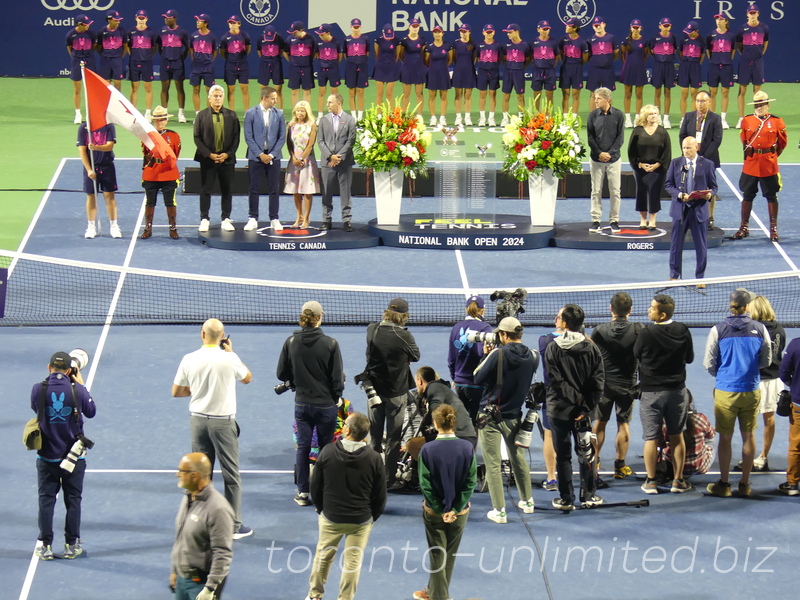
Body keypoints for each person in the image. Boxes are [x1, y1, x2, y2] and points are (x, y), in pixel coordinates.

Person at [171, 318, 253, 538]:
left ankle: (197, 523)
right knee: (231, 475)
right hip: (223, 424)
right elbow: (247, 378)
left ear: (203, 334)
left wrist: (197, 391)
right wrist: (232, 353)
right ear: (222, 337)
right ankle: (234, 527)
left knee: (198, 475)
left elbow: (177, 391)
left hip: (198, 422)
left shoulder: (189, 359)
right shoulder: (230, 358)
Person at [307, 412, 386, 600]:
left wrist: (322, 510)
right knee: (353, 562)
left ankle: (314, 595)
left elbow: (315, 486)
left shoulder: (327, 452)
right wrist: (370, 517)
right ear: (365, 435)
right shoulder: (375, 458)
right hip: (360, 521)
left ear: (347, 430)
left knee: (323, 557)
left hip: (331, 517)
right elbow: (381, 495)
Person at [704, 288, 771, 498]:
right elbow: (766, 360)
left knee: (725, 437)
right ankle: (744, 484)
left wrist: (723, 375)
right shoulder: (760, 329)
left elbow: (709, 363)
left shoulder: (718, 330)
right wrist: (749, 371)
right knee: (748, 436)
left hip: (725, 391)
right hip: (751, 390)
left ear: (731, 305)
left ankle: (724, 485)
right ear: (747, 306)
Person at [276, 301, 344, 506]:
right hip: (326, 406)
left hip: (302, 405)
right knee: (326, 450)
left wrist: (296, 380)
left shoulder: (290, 342)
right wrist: (337, 397)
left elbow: (281, 373)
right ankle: (324, 491)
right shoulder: (331, 344)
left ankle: (303, 492)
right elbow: (337, 378)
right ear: (319, 318)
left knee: (303, 448)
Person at [31, 351, 96, 560]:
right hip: (74, 458)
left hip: (47, 457)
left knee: (46, 500)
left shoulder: (37, 389)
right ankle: (71, 544)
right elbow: (91, 411)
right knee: (73, 499)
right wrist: (81, 385)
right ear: (70, 371)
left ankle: (46, 546)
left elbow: (36, 409)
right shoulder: (77, 389)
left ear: (49, 368)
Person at [473, 316, 537, 523]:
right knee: (518, 457)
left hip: (490, 417)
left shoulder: (497, 354)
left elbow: (477, 377)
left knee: (492, 463)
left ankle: (499, 511)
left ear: (503, 334)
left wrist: (486, 357)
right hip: (515, 416)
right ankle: (527, 501)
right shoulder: (534, 356)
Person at [413, 405, 476, 600]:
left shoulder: (427, 449)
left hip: (434, 513)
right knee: (449, 555)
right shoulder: (467, 448)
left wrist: (441, 510)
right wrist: (455, 508)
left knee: (437, 556)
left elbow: (425, 483)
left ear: (435, 423)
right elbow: (470, 481)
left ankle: (439, 597)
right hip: (459, 514)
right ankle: (433, 591)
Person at [545, 305, 605, 509]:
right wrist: (584, 407)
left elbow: (556, 381)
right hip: (584, 414)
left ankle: (566, 499)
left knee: (563, 456)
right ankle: (588, 496)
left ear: (564, 323)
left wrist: (576, 401)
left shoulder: (553, 347)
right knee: (586, 454)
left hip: (559, 410)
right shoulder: (592, 348)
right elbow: (598, 382)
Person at [633, 294, 694, 494]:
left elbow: (636, 354)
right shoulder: (683, 330)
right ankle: (678, 481)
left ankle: (650, 481)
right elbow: (690, 357)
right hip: (677, 392)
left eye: (652, 308)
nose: (648, 310)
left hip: (651, 393)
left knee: (651, 438)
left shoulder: (646, 333)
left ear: (662, 314)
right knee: (677, 436)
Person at [360, 298, 421, 488]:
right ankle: (389, 480)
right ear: (403, 316)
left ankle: (371, 476)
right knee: (394, 439)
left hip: (374, 392)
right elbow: (416, 356)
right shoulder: (403, 335)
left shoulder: (372, 329)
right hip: (396, 394)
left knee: (375, 438)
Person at [590, 292, 641, 487]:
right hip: (627, 386)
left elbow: (592, 357)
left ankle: (593, 463)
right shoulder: (639, 330)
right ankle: (620, 466)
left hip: (603, 385)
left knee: (599, 424)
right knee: (624, 425)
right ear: (630, 310)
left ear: (611, 309)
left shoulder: (600, 330)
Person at [170, 452, 233, 600]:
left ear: (195, 476)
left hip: (201, 585)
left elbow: (222, 552)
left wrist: (210, 589)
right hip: (182, 579)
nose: (177, 474)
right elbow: (181, 538)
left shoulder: (218, 509)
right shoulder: (188, 498)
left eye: (181, 471)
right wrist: (175, 570)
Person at [733, 90, 787, 241]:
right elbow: (744, 139)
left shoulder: (777, 122)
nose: (759, 107)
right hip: (751, 163)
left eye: (762, 104)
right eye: (757, 104)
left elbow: (782, 143)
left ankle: (773, 229)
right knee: (747, 195)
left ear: (768, 105)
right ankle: (744, 227)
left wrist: (772, 155)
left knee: (771, 195)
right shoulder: (747, 120)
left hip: (768, 164)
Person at [664, 136, 717, 282]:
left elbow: (714, 187)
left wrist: (709, 195)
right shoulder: (676, 163)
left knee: (701, 246)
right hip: (680, 210)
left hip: (699, 210)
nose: (685, 151)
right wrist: (680, 194)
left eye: (688, 148)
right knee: (676, 245)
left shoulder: (707, 164)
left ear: (696, 147)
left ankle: (700, 278)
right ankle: (674, 275)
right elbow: (668, 185)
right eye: (684, 148)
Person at [744, 295, 786, 472]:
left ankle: (750, 458)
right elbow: (779, 352)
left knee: (749, 422)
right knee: (769, 420)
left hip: (756, 381)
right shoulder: (780, 329)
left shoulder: (752, 329)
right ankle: (762, 457)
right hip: (775, 381)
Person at [193, 85, 241, 232]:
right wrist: (209, 154)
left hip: (227, 160)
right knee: (205, 190)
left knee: (227, 190)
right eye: (215, 96)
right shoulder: (201, 115)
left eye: (220, 96)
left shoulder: (232, 116)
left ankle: (226, 219)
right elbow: (197, 138)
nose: (218, 99)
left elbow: (236, 138)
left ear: (223, 98)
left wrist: (227, 154)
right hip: (208, 160)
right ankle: (204, 218)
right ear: (209, 98)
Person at [244, 86, 286, 232]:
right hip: (256, 157)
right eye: (273, 98)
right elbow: (248, 136)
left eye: (276, 98)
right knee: (253, 188)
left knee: (274, 189)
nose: (275, 101)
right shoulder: (250, 113)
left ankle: (274, 218)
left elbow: (282, 137)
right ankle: (252, 218)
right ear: (264, 98)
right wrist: (260, 154)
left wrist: (272, 155)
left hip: (274, 157)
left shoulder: (279, 114)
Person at [678, 90, 723, 228]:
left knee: (708, 189)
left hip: (708, 159)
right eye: (697, 101)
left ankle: (710, 217)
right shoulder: (689, 116)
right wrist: (688, 153)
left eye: (703, 101)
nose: (700, 103)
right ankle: (687, 215)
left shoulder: (715, 118)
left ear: (709, 102)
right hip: (689, 159)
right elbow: (682, 135)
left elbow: (717, 140)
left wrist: (703, 157)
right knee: (687, 186)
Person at [448, 295, 494, 421]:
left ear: (466, 309)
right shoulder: (485, 328)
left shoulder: (456, 328)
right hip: (477, 385)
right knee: (475, 425)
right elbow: (486, 358)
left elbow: (451, 358)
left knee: (461, 423)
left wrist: (455, 377)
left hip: (459, 382)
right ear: (482, 310)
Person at [140, 105, 182, 239]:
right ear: (153, 121)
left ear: (166, 120)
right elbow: (145, 153)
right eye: (157, 120)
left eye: (162, 119)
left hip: (168, 172)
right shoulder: (147, 136)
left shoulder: (174, 136)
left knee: (170, 202)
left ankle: (173, 228)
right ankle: (148, 227)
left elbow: (176, 154)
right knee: (150, 202)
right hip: (152, 173)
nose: (160, 122)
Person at [628, 104, 671, 230]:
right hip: (641, 169)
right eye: (651, 114)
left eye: (655, 114)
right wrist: (640, 164)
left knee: (654, 193)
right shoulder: (637, 131)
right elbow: (632, 151)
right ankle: (642, 219)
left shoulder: (663, 131)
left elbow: (667, 152)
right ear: (645, 116)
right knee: (641, 192)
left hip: (657, 170)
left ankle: (652, 220)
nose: (654, 116)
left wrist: (657, 165)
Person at [587, 86, 624, 232]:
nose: (595, 101)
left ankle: (614, 220)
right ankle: (596, 220)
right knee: (596, 190)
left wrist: (610, 153)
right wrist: (599, 153)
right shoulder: (592, 116)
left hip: (614, 159)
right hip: (596, 160)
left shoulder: (619, 115)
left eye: (598, 98)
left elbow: (620, 137)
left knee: (615, 191)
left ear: (608, 100)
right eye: (595, 98)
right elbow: (590, 137)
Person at [317, 93, 357, 231]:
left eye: (330, 102)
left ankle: (346, 220)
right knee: (326, 192)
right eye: (327, 102)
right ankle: (326, 220)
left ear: (339, 103)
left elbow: (351, 140)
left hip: (344, 163)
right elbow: (320, 141)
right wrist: (330, 156)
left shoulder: (350, 120)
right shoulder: (323, 120)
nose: (327, 105)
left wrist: (338, 157)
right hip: (327, 162)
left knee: (345, 192)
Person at [77, 120, 121, 239]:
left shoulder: (109, 126)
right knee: (91, 196)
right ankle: (91, 227)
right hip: (90, 167)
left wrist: (96, 147)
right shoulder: (84, 127)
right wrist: (89, 170)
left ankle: (114, 226)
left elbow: (110, 146)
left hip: (107, 166)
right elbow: (82, 151)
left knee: (109, 196)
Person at [415, 366, 477, 448]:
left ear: (420, 381)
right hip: (467, 437)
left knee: (412, 445)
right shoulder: (441, 388)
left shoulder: (433, 388)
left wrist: (424, 426)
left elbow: (436, 411)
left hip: (458, 436)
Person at [284, 100, 320, 228]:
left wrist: (302, 159)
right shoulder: (291, 125)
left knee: (307, 191)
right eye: (298, 110)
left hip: (307, 162)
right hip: (294, 161)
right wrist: (294, 158)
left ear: (307, 112)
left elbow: (310, 144)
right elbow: (289, 143)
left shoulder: (312, 125)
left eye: (302, 110)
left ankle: (306, 218)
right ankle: (298, 216)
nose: (300, 113)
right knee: (296, 191)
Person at [735, 5, 769, 129]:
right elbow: (739, 45)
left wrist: (759, 55)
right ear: (747, 14)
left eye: (754, 13)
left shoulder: (764, 28)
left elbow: (765, 43)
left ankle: (758, 117)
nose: (752, 15)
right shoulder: (742, 29)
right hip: (745, 61)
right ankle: (741, 119)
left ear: (758, 14)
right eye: (751, 13)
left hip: (758, 61)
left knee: (757, 92)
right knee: (742, 90)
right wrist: (746, 55)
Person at [157, 9, 190, 123]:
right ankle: (164, 112)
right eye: (165, 17)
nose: (166, 19)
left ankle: (181, 113)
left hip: (178, 63)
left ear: (174, 19)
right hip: (165, 62)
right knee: (164, 88)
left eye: (168, 18)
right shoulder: (162, 31)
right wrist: (165, 56)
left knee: (179, 87)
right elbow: (159, 47)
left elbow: (187, 47)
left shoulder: (182, 32)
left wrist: (180, 58)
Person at [778, 335, 800, 496]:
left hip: (799, 404)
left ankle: (792, 483)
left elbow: (784, 372)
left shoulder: (795, 345)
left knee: (796, 445)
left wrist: (794, 385)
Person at [706, 13, 736, 129]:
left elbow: (733, 51)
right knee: (712, 92)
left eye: (721, 19)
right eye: (717, 19)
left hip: (726, 67)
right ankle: (713, 118)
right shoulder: (711, 35)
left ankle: (723, 119)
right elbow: (708, 51)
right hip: (714, 66)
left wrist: (726, 60)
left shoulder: (731, 36)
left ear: (726, 21)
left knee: (725, 92)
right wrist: (715, 60)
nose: (718, 21)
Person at [67, 15, 96, 124]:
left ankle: (90, 114)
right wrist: (77, 56)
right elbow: (70, 49)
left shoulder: (91, 33)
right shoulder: (70, 35)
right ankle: (78, 114)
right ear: (79, 24)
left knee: (90, 89)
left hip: (89, 60)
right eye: (85, 24)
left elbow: (94, 46)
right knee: (77, 89)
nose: (88, 25)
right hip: (76, 60)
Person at [585, 17, 619, 113]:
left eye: (599, 24)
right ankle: (593, 116)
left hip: (608, 70)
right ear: (593, 27)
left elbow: (616, 53)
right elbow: (587, 56)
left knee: (608, 94)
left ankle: (608, 115)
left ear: (604, 24)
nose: (598, 27)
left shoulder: (611, 38)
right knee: (593, 94)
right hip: (594, 70)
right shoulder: (590, 40)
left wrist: (608, 61)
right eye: (596, 25)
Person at [127, 10, 156, 120]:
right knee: (134, 88)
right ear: (136, 18)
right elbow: (128, 47)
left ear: (147, 19)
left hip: (147, 63)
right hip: (134, 62)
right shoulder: (131, 32)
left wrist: (146, 57)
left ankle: (148, 112)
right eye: (139, 18)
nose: (141, 20)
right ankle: (133, 111)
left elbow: (154, 48)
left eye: (143, 18)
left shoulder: (151, 33)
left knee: (148, 88)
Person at [499, 23, 530, 126]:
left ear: (517, 32)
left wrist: (520, 67)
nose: (508, 34)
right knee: (506, 95)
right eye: (507, 33)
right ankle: (505, 118)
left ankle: (521, 118)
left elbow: (528, 59)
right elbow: (503, 58)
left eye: (510, 32)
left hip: (519, 73)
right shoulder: (506, 45)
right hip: (508, 72)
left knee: (520, 96)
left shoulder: (525, 45)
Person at [648, 18, 677, 129]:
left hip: (669, 66)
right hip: (658, 66)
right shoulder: (655, 38)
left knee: (668, 92)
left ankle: (666, 118)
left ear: (670, 26)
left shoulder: (673, 37)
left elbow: (674, 50)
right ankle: (657, 117)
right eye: (664, 25)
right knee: (657, 91)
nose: (666, 27)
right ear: (660, 26)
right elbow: (651, 51)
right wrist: (658, 58)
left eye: (667, 25)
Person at [619, 19, 647, 128]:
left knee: (639, 95)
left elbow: (644, 55)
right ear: (631, 28)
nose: (635, 29)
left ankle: (637, 118)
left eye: (637, 27)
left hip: (639, 70)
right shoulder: (626, 41)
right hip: (628, 69)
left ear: (640, 28)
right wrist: (628, 64)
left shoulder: (644, 41)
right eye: (634, 27)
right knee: (628, 94)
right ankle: (627, 119)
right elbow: (623, 55)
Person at [219, 15, 251, 112]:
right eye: (230, 23)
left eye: (234, 23)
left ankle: (247, 112)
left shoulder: (245, 35)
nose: (232, 25)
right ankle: (231, 112)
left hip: (243, 65)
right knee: (231, 89)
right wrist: (231, 59)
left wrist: (241, 58)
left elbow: (248, 49)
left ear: (239, 24)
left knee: (244, 89)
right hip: (230, 66)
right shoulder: (225, 38)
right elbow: (222, 52)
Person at [188, 14, 217, 117]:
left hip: (208, 67)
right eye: (197, 21)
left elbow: (214, 51)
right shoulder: (193, 36)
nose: (197, 22)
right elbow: (191, 48)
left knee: (209, 91)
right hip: (196, 66)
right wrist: (195, 58)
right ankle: (197, 115)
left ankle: (209, 114)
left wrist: (209, 60)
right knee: (195, 90)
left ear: (206, 24)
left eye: (200, 21)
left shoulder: (212, 37)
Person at [676, 21, 705, 122]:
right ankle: (683, 118)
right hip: (684, 66)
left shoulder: (701, 40)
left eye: (691, 31)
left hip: (695, 66)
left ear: (696, 31)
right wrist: (685, 62)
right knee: (684, 93)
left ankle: (693, 118)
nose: (689, 33)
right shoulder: (683, 38)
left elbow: (702, 55)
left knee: (694, 93)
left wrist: (696, 64)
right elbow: (680, 53)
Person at [424, 26, 453, 127]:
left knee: (443, 96)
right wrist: (433, 68)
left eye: (439, 32)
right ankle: (432, 117)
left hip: (444, 73)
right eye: (435, 32)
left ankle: (442, 117)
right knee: (432, 96)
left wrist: (442, 68)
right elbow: (426, 61)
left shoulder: (447, 46)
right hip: (432, 74)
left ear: (442, 33)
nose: (437, 34)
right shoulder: (429, 47)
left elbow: (450, 59)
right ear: (433, 34)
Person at [475, 24, 503, 127]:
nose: (489, 34)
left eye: (491, 32)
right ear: (483, 33)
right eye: (487, 32)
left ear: (494, 32)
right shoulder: (479, 45)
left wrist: (492, 65)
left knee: (493, 94)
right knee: (482, 94)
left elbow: (500, 58)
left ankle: (491, 118)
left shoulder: (498, 45)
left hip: (494, 72)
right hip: (482, 72)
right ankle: (482, 118)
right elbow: (478, 58)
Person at [559, 18, 587, 116]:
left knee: (576, 94)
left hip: (577, 69)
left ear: (574, 28)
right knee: (565, 94)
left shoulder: (582, 42)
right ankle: (565, 117)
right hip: (566, 69)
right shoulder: (563, 39)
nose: (566, 27)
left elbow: (585, 58)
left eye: (569, 26)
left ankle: (574, 118)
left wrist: (576, 64)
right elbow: (561, 54)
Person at [284, 21, 316, 107]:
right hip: (294, 68)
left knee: (307, 91)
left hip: (307, 68)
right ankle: (296, 113)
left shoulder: (311, 39)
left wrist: (307, 61)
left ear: (301, 30)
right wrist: (292, 61)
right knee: (294, 91)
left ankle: (306, 112)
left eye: (295, 31)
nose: (293, 33)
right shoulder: (290, 39)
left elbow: (314, 53)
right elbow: (285, 52)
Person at [314, 24, 342, 121]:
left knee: (334, 94)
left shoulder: (336, 42)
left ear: (328, 33)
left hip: (333, 70)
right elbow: (317, 54)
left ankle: (335, 113)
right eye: (319, 34)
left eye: (322, 34)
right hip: (322, 70)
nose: (320, 36)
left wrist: (332, 64)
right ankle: (320, 115)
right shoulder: (318, 42)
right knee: (321, 92)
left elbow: (340, 56)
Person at [530, 20, 559, 111]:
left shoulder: (553, 42)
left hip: (550, 71)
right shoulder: (533, 42)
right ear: (538, 29)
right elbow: (531, 56)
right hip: (537, 71)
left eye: (547, 29)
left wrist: (551, 66)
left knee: (549, 95)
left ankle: (548, 116)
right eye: (543, 29)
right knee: (537, 95)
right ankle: (536, 115)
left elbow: (557, 56)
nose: (545, 31)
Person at [344, 18, 370, 121]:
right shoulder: (347, 39)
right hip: (350, 67)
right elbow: (345, 54)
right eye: (354, 27)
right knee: (351, 91)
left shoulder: (365, 39)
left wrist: (360, 60)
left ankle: (359, 116)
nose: (356, 29)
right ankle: (353, 116)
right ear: (351, 27)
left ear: (360, 27)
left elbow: (367, 52)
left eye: (357, 27)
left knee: (360, 91)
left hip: (362, 66)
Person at [451, 24, 476, 128]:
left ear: (469, 32)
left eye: (465, 31)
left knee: (468, 95)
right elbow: (453, 57)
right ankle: (458, 117)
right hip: (458, 71)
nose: (463, 33)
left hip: (469, 71)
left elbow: (474, 59)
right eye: (461, 31)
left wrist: (468, 67)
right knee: (458, 95)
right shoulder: (456, 43)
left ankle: (467, 117)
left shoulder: (473, 45)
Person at [399, 18, 427, 112]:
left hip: (419, 70)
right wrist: (408, 63)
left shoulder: (422, 40)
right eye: (413, 26)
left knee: (419, 93)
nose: (415, 28)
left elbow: (423, 55)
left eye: (417, 26)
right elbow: (401, 55)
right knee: (406, 94)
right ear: (409, 27)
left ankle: (419, 116)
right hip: (407, 69)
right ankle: (404, 115)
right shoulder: (404, 40)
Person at [95, 10, 127, 91]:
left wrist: (119, 56)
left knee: (118, 83)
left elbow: (125, 46)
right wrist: (105, 55)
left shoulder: (122, 31)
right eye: (115, 20)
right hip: (105, 60)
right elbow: (99, 47)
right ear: (109, 20)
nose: (118, 22)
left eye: (118, 20)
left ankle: (117, 103)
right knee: (106, 84)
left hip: (117, 60)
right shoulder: (101, 32)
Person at [257, 25, 286, 108]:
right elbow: (259, 51)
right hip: (264, 65)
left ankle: (280, 112)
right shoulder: (260, 39)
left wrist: (275, 59)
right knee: (263, 91)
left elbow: (281, 51)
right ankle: (262, 110)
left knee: (278, 90)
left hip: (276, 64)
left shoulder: (279, 39)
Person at [373, 24, 399, 109]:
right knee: (380, 93)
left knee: (389, 93)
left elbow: (397, 55)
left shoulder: (396, 40)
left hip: (391, 68)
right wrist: (382, 62)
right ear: (383, 33)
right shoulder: (378, 40)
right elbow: (377, 54)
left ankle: (389, 115)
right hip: (380, 68)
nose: (388, 37)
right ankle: (379, 115)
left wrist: (391, 63)